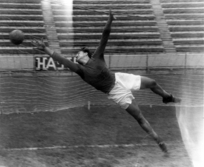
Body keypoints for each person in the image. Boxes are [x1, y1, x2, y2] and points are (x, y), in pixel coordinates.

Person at [33, 11, 180, 155]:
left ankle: (167, 97)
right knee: (139, 117)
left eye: (78, 52)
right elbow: (62, 60)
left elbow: (105, 36)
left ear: (85, 53)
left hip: (120, 78)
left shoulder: (97, 57)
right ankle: (159, 141)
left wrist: (110, 20)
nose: (76, 54)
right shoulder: (80, 70)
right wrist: (45, 48)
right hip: (116, 93)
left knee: (152, 83)